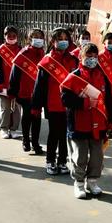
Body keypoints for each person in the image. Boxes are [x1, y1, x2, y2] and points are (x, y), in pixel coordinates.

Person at [61, 42, 110, 198]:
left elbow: (108, 100)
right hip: (78, 123)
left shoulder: (103, 75)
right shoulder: (74, 76)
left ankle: (93, 181)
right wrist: (86, 103)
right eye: (89, 56)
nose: (92, 59)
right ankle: (79, 183)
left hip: (99, 123)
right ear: (81, 57)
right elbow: (65, 99)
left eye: (95, 56)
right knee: (80, 156)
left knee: (97, 156)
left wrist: (110, 120)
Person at [32, 27, 78, 175]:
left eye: (65, 39)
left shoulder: (73, 60)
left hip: (69, 105)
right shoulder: (46, 62)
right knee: (54, 134)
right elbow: (39, 87)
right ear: (53, 41)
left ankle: (63, 161)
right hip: (53, 104)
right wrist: (36, 106)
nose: (63, 41)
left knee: (65, 134)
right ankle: (50, 161)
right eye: (60, 39)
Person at [8, 29, 45, 154]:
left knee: (37, 117)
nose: (38, 39)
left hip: (38, 93)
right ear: (29, 39)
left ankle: (35, 143)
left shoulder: (43, 53)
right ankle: (26, 140)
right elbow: (14, 74)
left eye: (40, 36)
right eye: (35, 36)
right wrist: (12, 92)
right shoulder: (23, 53)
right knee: (28, 116)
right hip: (25, 91)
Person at [0, 26, 21, 139]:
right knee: (5, 108)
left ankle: (14, 129)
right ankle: (4, 128)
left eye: (14, 36)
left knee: (17, 109)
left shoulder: (21, 50)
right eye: (9, 36)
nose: (12, 38)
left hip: (17, 85)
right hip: (3, 84)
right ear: (4, 36)